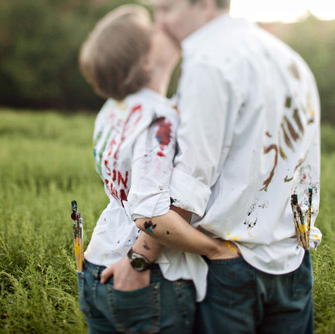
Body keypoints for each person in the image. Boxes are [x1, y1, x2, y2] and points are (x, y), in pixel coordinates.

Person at [108, 0, 323, 332]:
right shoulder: (289, 59)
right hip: (294, 259)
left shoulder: (208, 61)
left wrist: (138, 260)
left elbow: (188, 185)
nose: (160, 24)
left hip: (233, 264)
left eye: (167, 10)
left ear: (206, 5)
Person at [78, 4, 237, 334]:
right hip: (147, 278)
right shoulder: (158, 120)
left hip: (95, 264)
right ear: (145, 62)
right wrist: (215, 249)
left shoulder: (112, 110)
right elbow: (150, 214)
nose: (163, 25)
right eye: (152, 30)